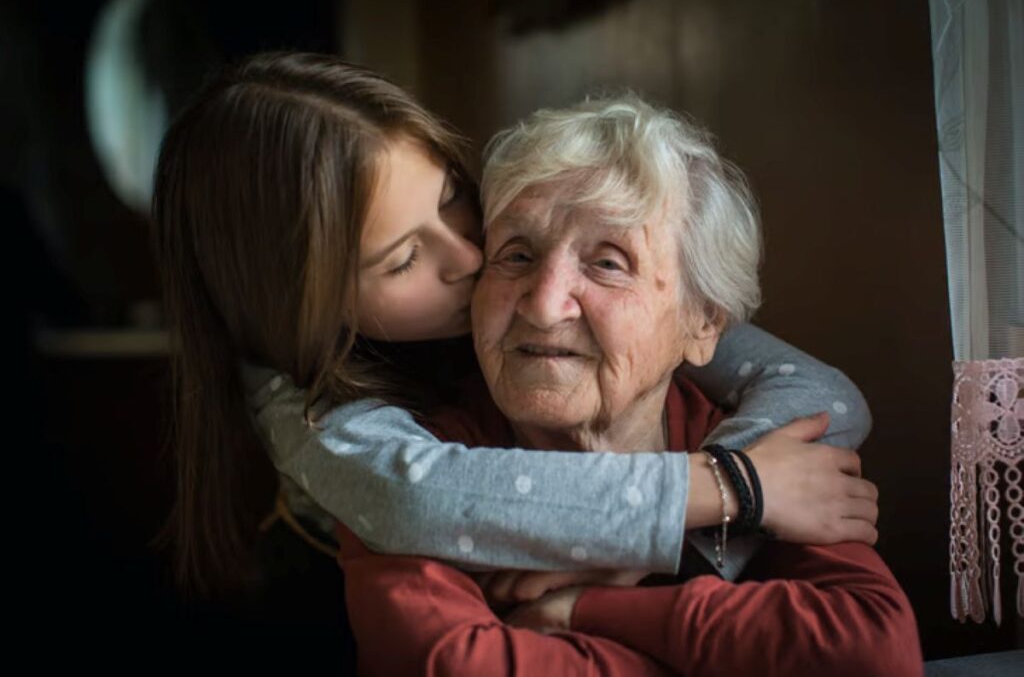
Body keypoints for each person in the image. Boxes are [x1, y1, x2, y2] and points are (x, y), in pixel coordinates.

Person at [152, 52, 876, 608]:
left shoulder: (547, 295)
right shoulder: (310, 410)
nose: (471, 256)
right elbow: (421, 499)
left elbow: (825, 397)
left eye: (453, 200)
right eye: (404, 257)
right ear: (305, 308)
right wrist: (730, 487)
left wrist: (678, 544)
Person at [334, 94, 923, 676]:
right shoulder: (420, 469)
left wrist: (586, 610)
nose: (543, 305)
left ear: (703, 323)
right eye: (516, 254)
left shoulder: (760, 447)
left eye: (608, 263)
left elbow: (871, 650)